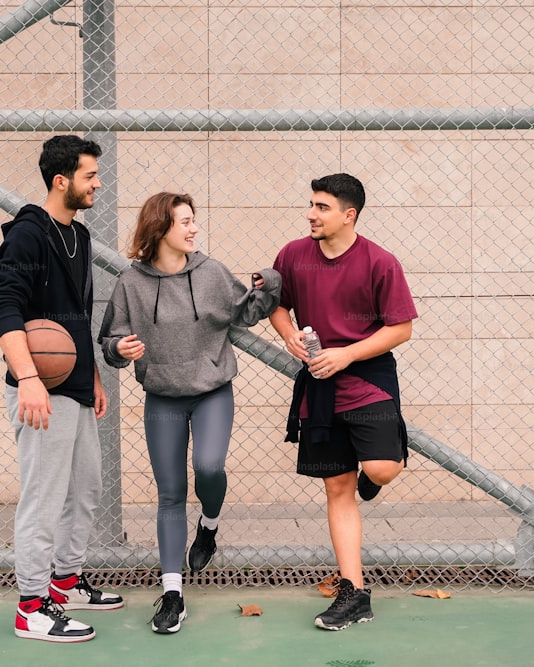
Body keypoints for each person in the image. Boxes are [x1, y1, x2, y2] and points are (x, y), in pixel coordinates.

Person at [98, 192, 281, 634]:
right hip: (162, 396)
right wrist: (119, 349)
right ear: (160, 228)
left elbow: (249, 310)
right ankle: (173, 593)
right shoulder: (131, 284)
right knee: (170, 492)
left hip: (211, 390)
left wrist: (270, 281)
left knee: (209, 466)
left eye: (194, 221)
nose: (194, 229)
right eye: (185, 222)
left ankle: (210, 525)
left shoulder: (212, 272)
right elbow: (110, 341)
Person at [0, 135, 124, 644]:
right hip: (39, 388)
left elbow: (77, 317)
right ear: (61, 180)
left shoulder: (80, 238)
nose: (98, 184)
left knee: (85, 488)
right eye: (90, 176)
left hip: (75, 387)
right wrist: (27, 378)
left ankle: (64, 581)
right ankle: (31, 607)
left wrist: (91, 375)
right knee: (43, 498)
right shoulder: (27, 234)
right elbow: (3, 305)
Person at [270, 173, 417, 631]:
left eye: (322, 207)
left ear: (348, 215)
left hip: (368, 377)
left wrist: (348, 353)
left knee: (380, 470)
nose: (311, 214)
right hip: (320, 383)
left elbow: (401, 328)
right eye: (311, 205)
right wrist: (288, 334)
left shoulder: (380, 261)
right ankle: (354, 591)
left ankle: (383, 455)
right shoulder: (293, 255)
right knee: (337, 488)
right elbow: (277, 304)